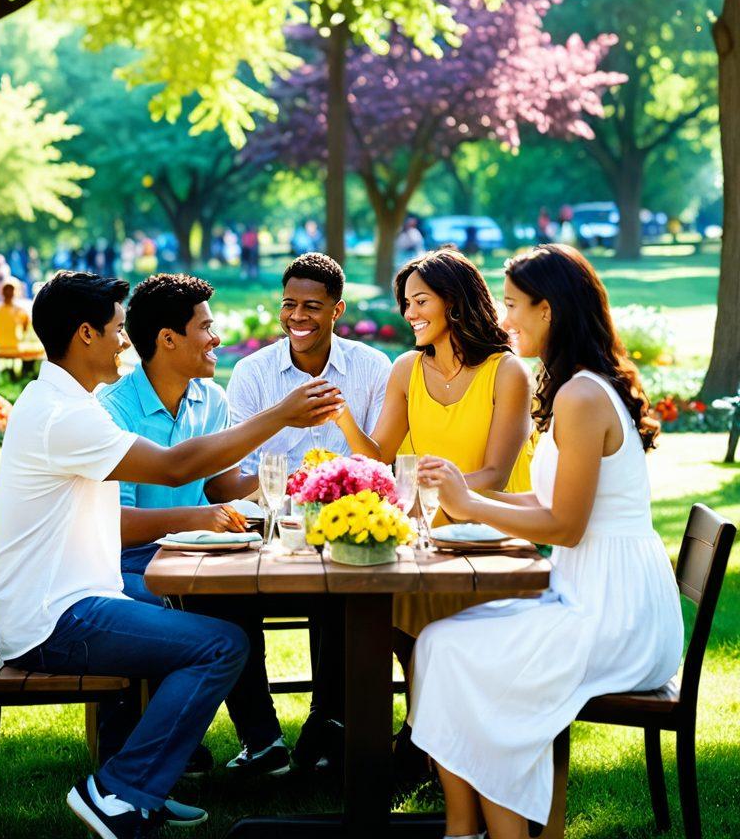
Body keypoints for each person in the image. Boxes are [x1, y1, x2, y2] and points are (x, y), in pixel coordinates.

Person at [0, 271, 341, 839]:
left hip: (72, 597)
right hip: (56, 617)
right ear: (84, 335)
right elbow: (177, 468)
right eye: (117, 330)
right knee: (221, 643)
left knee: (216, 624)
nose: (125, 342)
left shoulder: (60, 401)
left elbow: (204, 476)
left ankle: (145, 783)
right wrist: (280, 415)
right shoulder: (68, 415)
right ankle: (120, 791)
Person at [410, 244, 683, 839]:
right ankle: (465, 826)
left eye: (512, 305)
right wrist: (462, 492)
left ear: (549, 310)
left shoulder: (581, 397)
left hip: (617, 618)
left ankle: (493, 833)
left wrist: (472, 502)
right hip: (590, 594)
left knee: (458, 655)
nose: (503, 319)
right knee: (437, 642)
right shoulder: (577, 387)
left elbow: (566, 525)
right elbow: (547, 503)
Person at [333, 248, 533, 771]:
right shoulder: (406, 370)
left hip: (495, 531)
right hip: (430, 531)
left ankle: (426, 733)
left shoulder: (505, 371)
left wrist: (444, 494)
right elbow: (378, 458)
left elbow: (495, 474)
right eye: (405, 303)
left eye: (420, 300)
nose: (409, 313)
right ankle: (423, 728)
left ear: (456, 301)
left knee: (409, 603)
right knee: (381, 605)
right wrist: (343, 417)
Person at [99, 273, 291, 776]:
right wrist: (196, 520)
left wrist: (286, 484)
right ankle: (131, 741)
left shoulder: (211, 399)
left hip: (191, 554)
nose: (217, 338)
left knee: (237, 596)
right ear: (168, 340)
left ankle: (262, 742)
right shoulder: (113, 411)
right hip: (126, 563)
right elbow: (113, 525)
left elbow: (220, 485)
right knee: (184, 611)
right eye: (206, 327)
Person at [226, 252, 392, 768]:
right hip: (266, 532)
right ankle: (263, 739)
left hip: (343, 533)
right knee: (228, 600)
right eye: (289, 304)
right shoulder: (253, 374)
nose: (298, 316)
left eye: (312, 307)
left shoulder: (371, 367)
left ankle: (330, 725)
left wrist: (342, 422)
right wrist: (291, 484)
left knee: (343, 591)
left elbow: (382, 467)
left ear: (337, 310)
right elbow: (229, 478)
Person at [0, 281, 29, 351]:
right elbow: (26, 328)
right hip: (15, 345)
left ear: (2, 293)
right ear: (14, 293)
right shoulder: (20, 310)